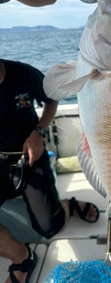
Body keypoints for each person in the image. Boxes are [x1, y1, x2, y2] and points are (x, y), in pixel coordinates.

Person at [0, 59, 100, 283]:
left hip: (32, 154)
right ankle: (22, 258)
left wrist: (38, 132)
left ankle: (67, 205)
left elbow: (52, 100)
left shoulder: (24, 73)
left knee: (49, 228)